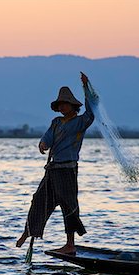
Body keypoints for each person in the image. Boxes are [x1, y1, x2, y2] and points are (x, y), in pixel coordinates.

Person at [16, 72, 95, 254]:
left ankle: (70, 244)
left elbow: (91, 112)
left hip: (67, 170)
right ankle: (28, 232)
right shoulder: (56, 122)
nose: (62, 107)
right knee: (39, 200)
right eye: (60, 104)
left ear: (72, 105)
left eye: (65, 103)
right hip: (52, 169)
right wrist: (43, 144)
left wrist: (86, 87)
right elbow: (48, 138)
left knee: (68, 205)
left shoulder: (80, 122)